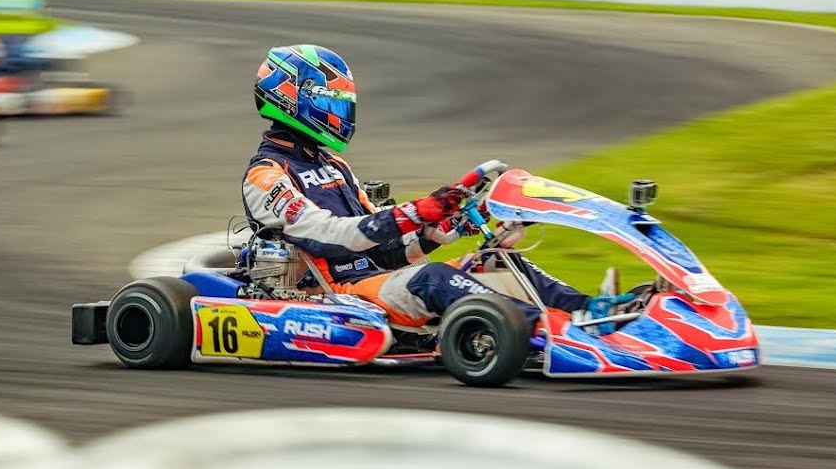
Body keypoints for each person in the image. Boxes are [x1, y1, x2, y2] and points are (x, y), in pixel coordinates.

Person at [240, 44, 634, 332]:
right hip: (334, 294)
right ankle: (561, 333)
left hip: (375, 280)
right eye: (330, 99)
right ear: (291, 99)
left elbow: (385, 252)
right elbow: (331, 239)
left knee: (496, 260)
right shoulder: (266, 175)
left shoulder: (334, 166)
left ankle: (591, 312)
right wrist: (418, 210)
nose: (340, 111)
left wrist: (435, 232)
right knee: (434, 279)